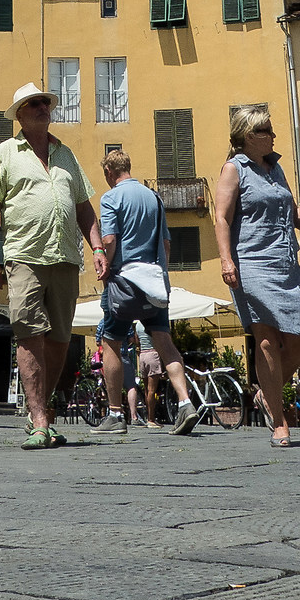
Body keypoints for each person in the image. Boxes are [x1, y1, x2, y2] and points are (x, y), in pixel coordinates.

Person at [211, 105, 300, 450]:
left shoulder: (275, 169)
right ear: (248, 136)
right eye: (267, 131)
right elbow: (221, 217)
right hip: (251, 263)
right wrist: (226, 260)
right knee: (266, 339)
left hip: (285, 263)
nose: (273, 136)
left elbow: (293, 210)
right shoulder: (234, 169)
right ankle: (279, 422)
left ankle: (266, 395)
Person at [0, 80, 106, 451]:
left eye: (44, 103)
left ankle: (42, 412)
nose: (42, 108)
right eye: (33, 104)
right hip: (25, 255)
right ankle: (38, 419)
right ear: (20, 114)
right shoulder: (6, 152)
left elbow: (83, 206)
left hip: (66, 256)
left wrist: (97, 247)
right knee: (29, 333)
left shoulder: (66, 154)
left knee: (61, 340)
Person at [94, 151, 200, 436]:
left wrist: (106, 264)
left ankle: (116, 414)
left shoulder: (111, 198)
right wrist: (161, 278)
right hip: (154, 281)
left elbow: (109, 239)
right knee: (164, 343)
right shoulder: (153, 198)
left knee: (112, 342)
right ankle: (185, 403)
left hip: (123, 281)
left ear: (109, 172)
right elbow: (165, 243)